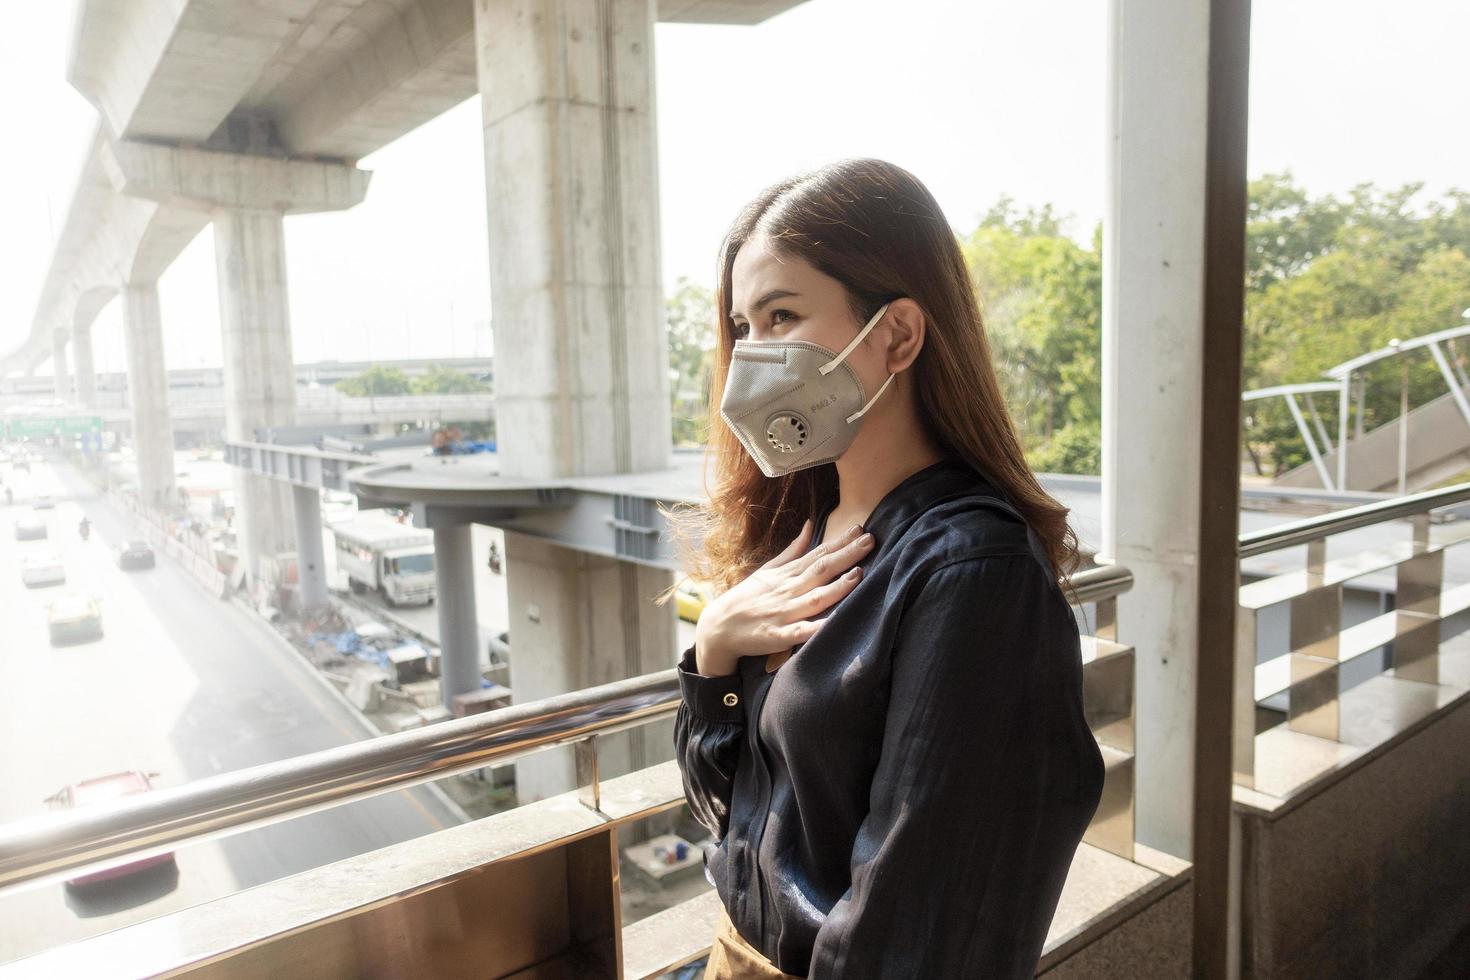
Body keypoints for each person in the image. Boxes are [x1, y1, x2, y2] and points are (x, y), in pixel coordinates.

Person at [665, 159, 1104, 979]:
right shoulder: (803, 532)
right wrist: (715, 652)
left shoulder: (972, 572)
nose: (751, 357)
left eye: (782, 314)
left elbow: (922, 935)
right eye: (743, 327)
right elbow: (730, 810)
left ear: (897, 334)